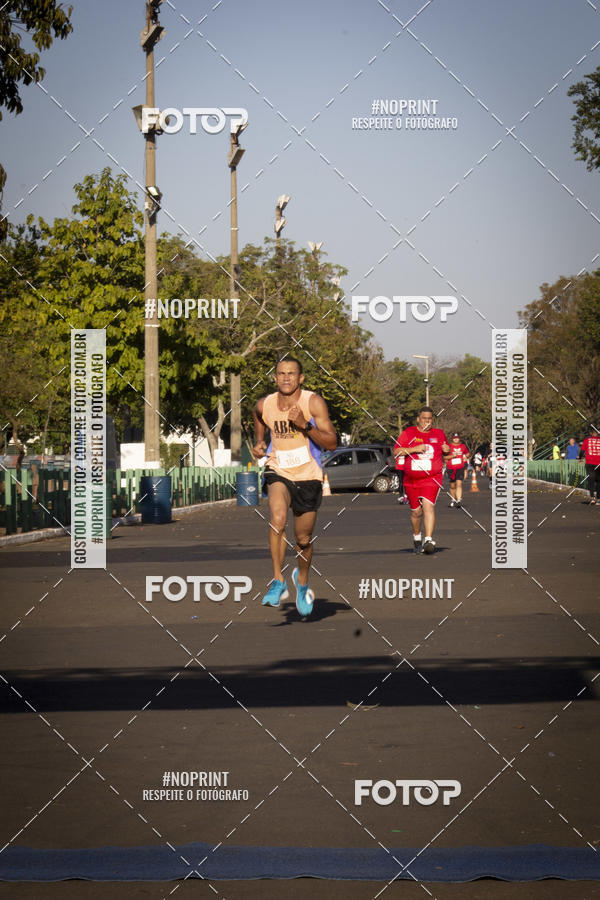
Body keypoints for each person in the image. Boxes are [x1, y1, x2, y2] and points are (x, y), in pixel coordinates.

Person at [253, 357, 337, 615]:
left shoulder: (312, 402)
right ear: (275, 377)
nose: (286, 378)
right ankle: (278, 581)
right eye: (281, 373)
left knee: (303, 538)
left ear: (301, 378)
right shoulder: (265, 404)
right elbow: (258, 415)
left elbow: (332, 443)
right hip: (278, 469)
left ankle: (301, 582)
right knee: (277, 519)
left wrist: (305, 426)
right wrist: (259, 441)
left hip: (308, 476)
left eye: (291, 374)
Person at [394, 407, 451, 554]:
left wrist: (447, 449)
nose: (427, 421)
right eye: (424, 418)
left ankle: (428, 539)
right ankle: (417, 536)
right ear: (418, 419)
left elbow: (446, 452)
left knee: (428, 506)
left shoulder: (438, 434)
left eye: (430, 419)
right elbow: (396, 451)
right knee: (416, 512)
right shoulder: (409, 433)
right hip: (411, 479)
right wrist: (414, 449)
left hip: (432, 478)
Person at [446, 433, 469, 508]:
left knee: (459, 484)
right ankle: (453, 499)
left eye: (457, 438)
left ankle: (459, 500)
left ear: (459, 438)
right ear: (452, 438)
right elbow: (445, 457)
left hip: (460, 467)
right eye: (454, 438)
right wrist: (453, 456)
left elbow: (468, 454)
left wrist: (465, 456)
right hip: (451, 468)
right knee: (452, 485)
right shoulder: (448, 446)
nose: (456, 439)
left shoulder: (463, 446)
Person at [579, 429, 600, 505]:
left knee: (591, 480)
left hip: (590, 463)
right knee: (599, 481)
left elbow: (582, 451)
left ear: (591, 433)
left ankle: (592, 498)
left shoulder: (587, 440)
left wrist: (580, 458)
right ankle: (598, 499)